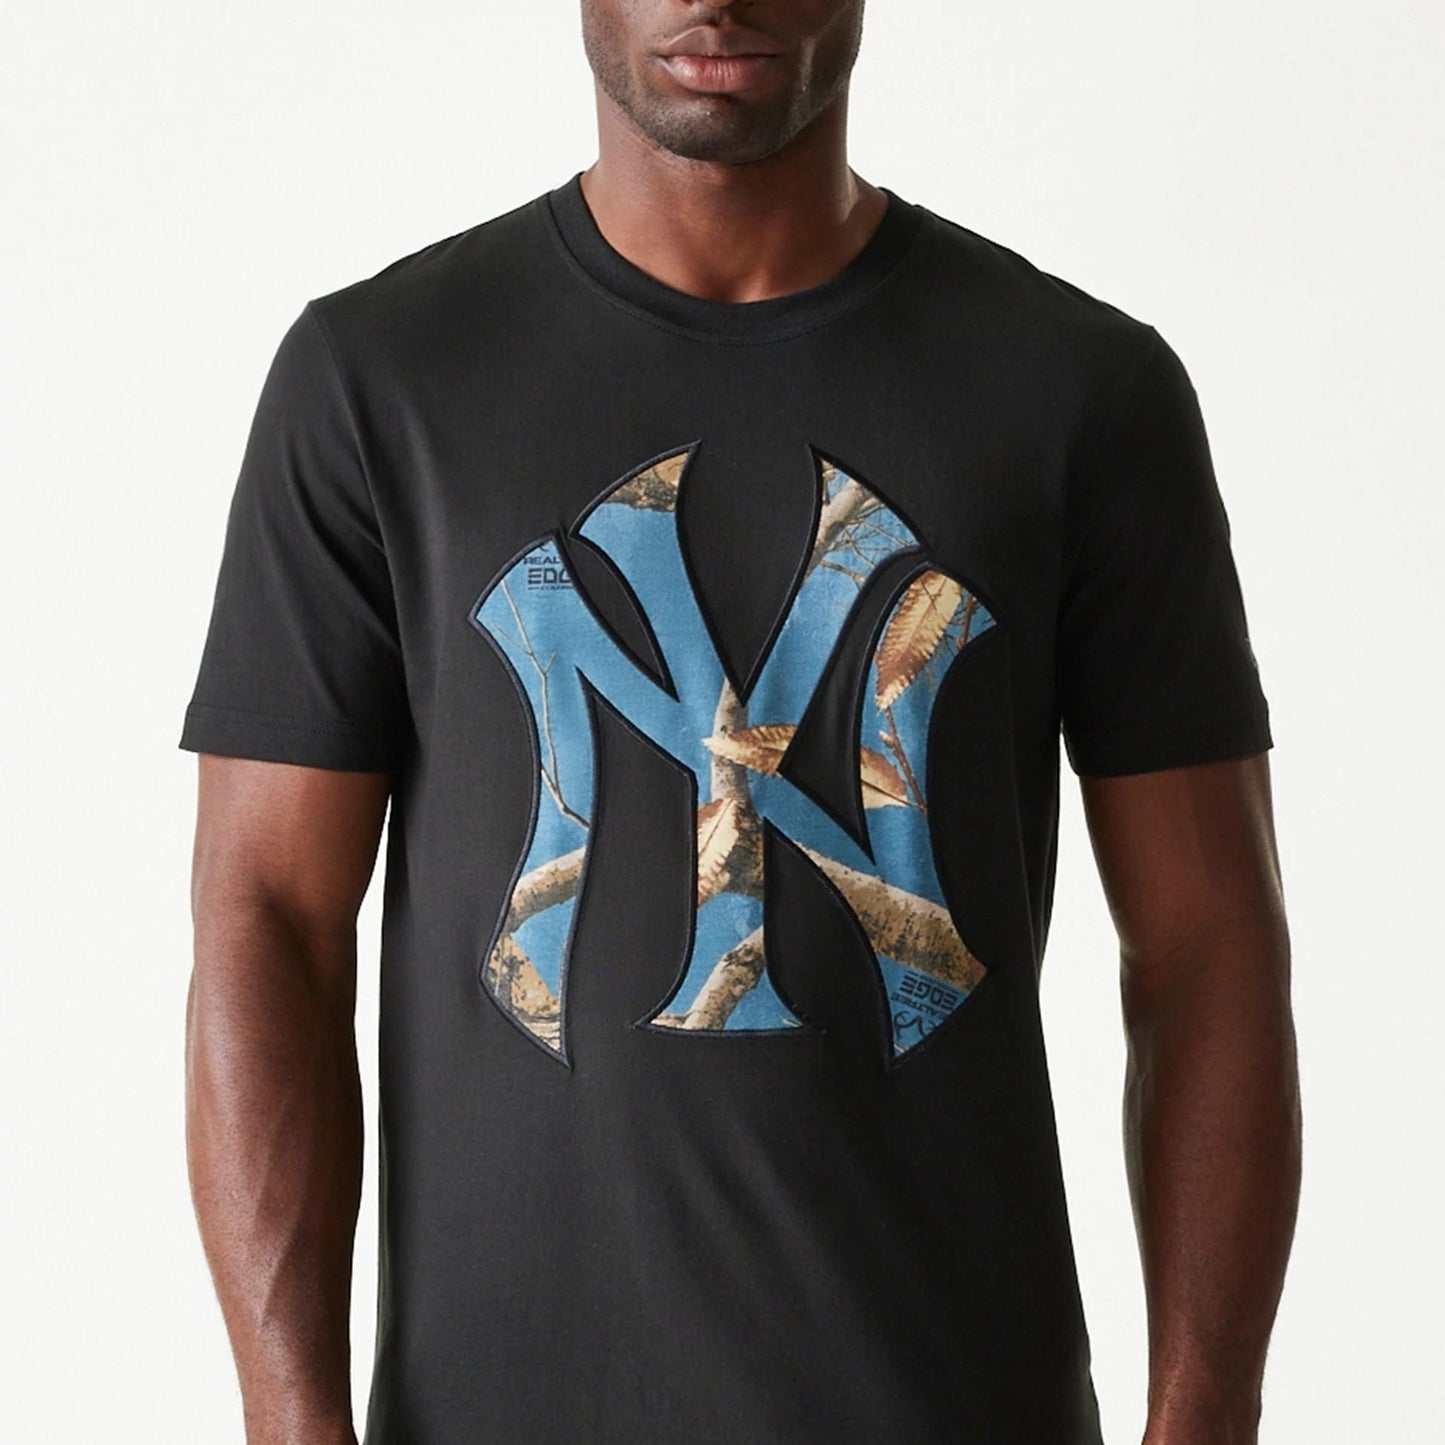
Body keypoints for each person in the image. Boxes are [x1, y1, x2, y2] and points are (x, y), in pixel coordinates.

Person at [179, 3, 1301, 1442]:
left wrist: (1204, 1422)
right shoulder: (378, 381)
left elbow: (1209, 945)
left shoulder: (1078, 390)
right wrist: (290, 1424)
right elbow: (265, 916)